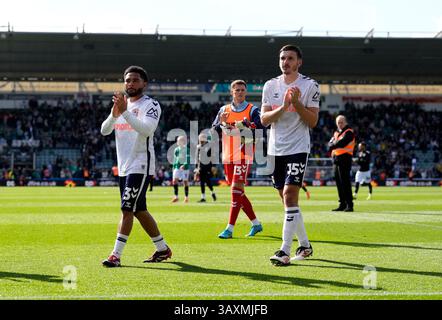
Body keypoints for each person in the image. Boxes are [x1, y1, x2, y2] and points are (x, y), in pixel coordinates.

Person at [100, 65, 172, 267]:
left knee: (126, 209)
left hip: (140, 164)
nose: (130, 84)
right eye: (127, 80)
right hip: (124, 166)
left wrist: (125, 112)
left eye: (135, 80)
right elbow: (105, 131)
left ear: (144, 83)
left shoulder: (151, 105)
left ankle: (115, 255)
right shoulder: (122, 105)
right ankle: (162, 248)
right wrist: (115, 114)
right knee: (139, 210)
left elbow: (147, 130)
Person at [260, 44, 320, 266]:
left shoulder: (309, 85)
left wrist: (296, 102)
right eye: (282, 58)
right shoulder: (270, 85)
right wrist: (285, 106)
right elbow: (264, 120)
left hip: (298, 147)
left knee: (289, 195)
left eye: (290, 58)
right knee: (288, 202)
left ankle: (284, 251)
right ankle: (305, 245)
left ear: (299, 62)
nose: (285, 62)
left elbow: (312, 121)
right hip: (275, 150)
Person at [212, 79, 264, 239]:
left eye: (242, 90)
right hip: (228, 156)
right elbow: (213, 130)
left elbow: (261, 130)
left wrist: (243, 129)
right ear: (232, 92)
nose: (240, 92)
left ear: (245, 92)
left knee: (235, 191)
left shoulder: (253, 110)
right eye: (237, 90)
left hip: (244, 154)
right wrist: (221, 124)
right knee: (238, 193)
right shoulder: (224, 110)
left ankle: (229, 228)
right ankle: (256, 223)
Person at [328, 115, 355, 212]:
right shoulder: (336, 133)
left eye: (341, 122)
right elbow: (329, 143)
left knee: (345, 182)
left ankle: (349, 205)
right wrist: (333, 144)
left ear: (345, 122)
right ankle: (342, 204)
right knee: (339, 183)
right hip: (336, 159)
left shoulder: (349, 132)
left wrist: (333, 145)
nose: (339, 124)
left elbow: (342, 143)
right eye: (338, 122)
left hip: (345, 158)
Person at [194, 132, 217, 202]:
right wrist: (196, 168)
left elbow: (213, 156)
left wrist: (213, 166)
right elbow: (197, 158)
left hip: (208, 165)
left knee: (207, 181)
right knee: (202, 181)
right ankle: (203, 197)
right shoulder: (198, 147)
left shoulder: (209, 145)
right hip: (201, 166)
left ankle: (212, 192)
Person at [171, 135, 190, 203]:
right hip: (177, 167)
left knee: (185, 182)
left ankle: (186, 197)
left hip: (185, 168)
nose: (178, 142)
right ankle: (176, 197)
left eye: (179, 141)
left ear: (183, 142)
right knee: (174, 181)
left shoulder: (187, 149)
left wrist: (184, 165)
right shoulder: (176, 149)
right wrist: (174, 166)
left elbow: (188, 159)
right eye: (177, 141)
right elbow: (175, 159)